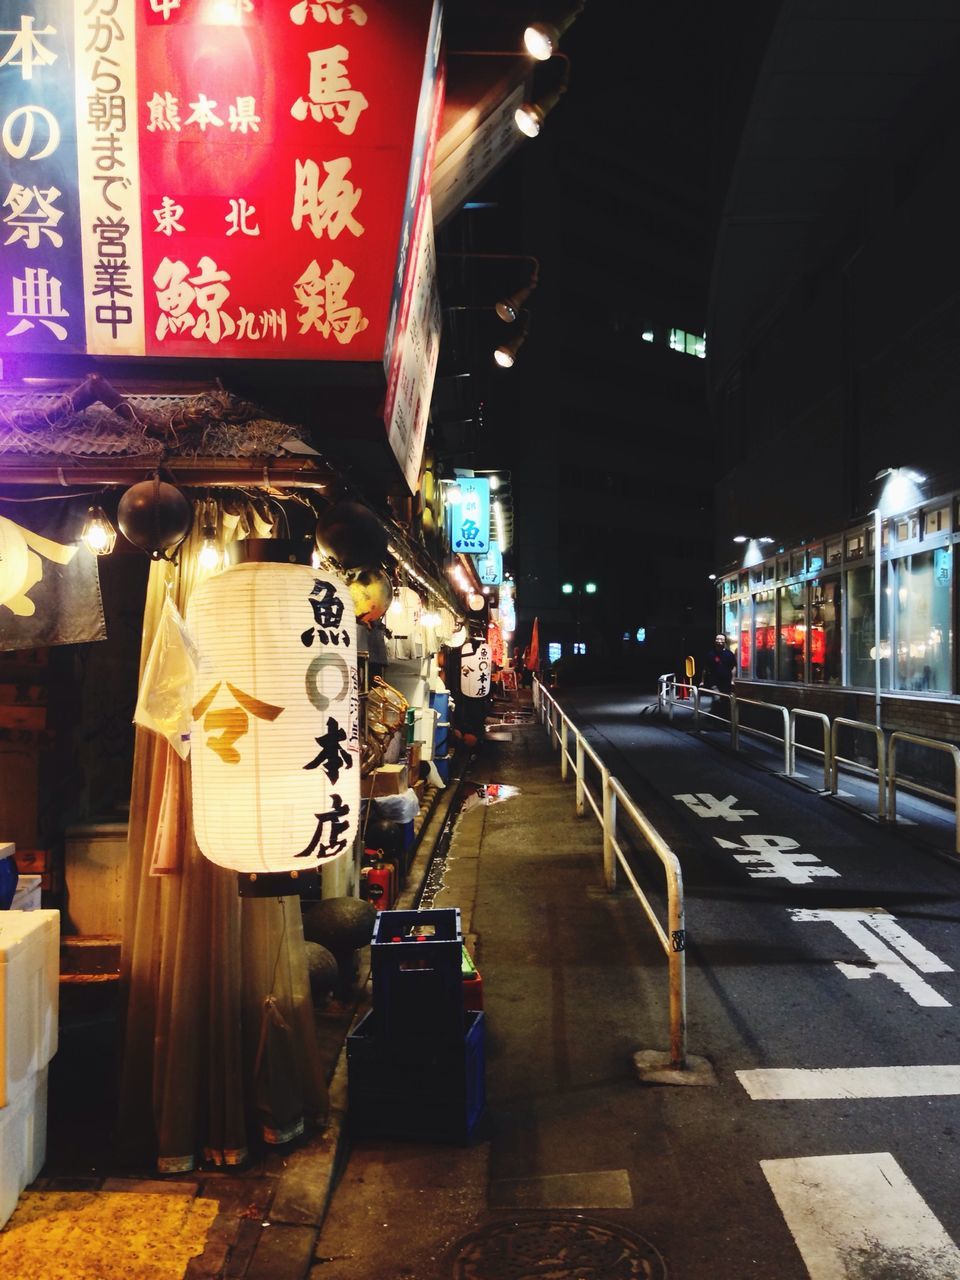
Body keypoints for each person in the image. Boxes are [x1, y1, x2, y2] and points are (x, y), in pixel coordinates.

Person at [701, 633, 736, 717]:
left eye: (721, 639)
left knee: (725, 701)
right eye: (717, 639)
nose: (719, 641)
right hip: (714, 682)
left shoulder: (729, 654)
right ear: (715, 641)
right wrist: (702, 681)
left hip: (726, 682)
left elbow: (734, 667)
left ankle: (722, 719)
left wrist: (732, 680)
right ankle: (715, 718)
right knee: (717, 698)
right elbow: (705, 669)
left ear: (725, 641)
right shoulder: (710, 654)